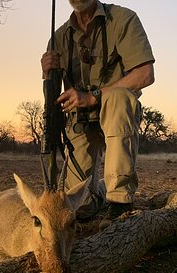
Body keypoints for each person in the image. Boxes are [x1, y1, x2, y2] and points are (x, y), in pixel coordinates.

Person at [41, 0, 155, 229]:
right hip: (80, 120)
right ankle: (101, 188)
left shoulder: (123, 19)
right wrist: (46, 74)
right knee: (80, 207)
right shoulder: (59, 37)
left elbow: (145, 74)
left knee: (120, 97)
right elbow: (54, 98)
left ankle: (120, 202)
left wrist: (93, 96)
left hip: (115, 111)